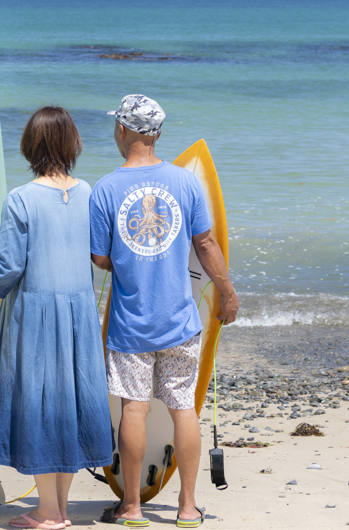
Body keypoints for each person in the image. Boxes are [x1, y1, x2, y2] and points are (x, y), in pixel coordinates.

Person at [0, 106, 112, 530]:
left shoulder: (21, 199)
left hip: (37, 315)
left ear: (31, 145)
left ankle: (49, 514)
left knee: (40, 406)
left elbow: (8, 268)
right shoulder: (88, 192)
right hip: (79, 314)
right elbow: (99, 255)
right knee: (68, 405)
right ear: (72, 144)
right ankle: (59, 508)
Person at [90, 94, 239, 530]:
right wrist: (227, 293)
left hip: (131, 324)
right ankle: (188, 509)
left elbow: (99, 258)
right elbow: (206, 244)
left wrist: (129, 259)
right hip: (179, 322)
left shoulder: (106, 188)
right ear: (156, 134)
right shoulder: (186, 183)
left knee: (134, 410)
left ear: (122, 130)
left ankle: (132, 507)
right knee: (182, 409)